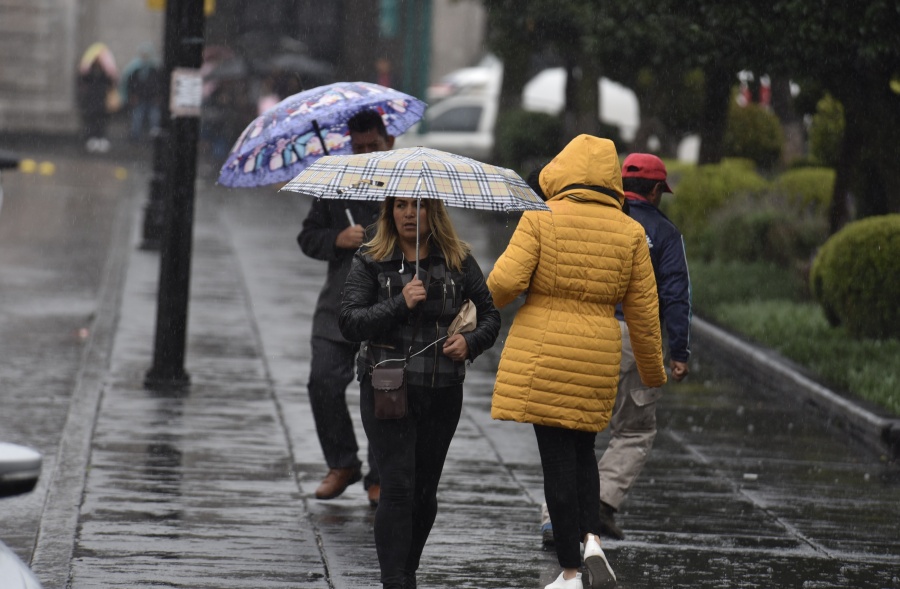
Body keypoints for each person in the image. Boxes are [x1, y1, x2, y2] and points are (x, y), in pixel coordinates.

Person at [488, 135, 666, 589]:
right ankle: (591, 541)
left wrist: (483, 300)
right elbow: (645, 313)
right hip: (597, 354)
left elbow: (505, 283)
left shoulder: (540, 218)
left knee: (555, 463)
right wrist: (653, 371)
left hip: (543, 353)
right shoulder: (629, 233)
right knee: (584, 451)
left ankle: (569, 569)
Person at [339, 194, 500, 589]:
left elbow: (491, 314)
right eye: (401, 206)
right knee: (397, 486)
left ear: (434, 212)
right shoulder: (371, 258)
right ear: (390, 212)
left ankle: (406, 569)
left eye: (420, 205)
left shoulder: (458, 259)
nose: (410, 213)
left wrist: (471, 343)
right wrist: (399, 303)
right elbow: (350, 322)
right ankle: (395, 580)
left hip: (442, 390)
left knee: (425, 491)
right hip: (388, 388)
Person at [539, 153, 692, 546]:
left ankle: (554, 516)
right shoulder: (666, 233)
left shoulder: (597, 218)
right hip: (636, 337)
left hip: (585, 331)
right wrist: (679, 351)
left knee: (571, 426)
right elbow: (675, 295)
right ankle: (602, 501)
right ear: (657, 190)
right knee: (635, 429)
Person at [77, 43, 118, 153]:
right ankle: (92, 139)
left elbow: (111, 83)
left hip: (101, 102)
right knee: (92, 121)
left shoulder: (104, 75)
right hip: (92, 102)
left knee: (101, 121)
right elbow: (82, 80)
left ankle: (100, 139)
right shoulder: (89, 74)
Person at [121, 43, 162, 142]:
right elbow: (131, 83)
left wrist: (158, 96)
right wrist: (132, 95)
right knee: (137, 118)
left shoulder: (155, 70)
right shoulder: (136, 70)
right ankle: (135, 137)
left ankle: (154, 138)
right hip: (139, 98)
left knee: (154, 119)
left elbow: (159, 84)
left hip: (152, 99)